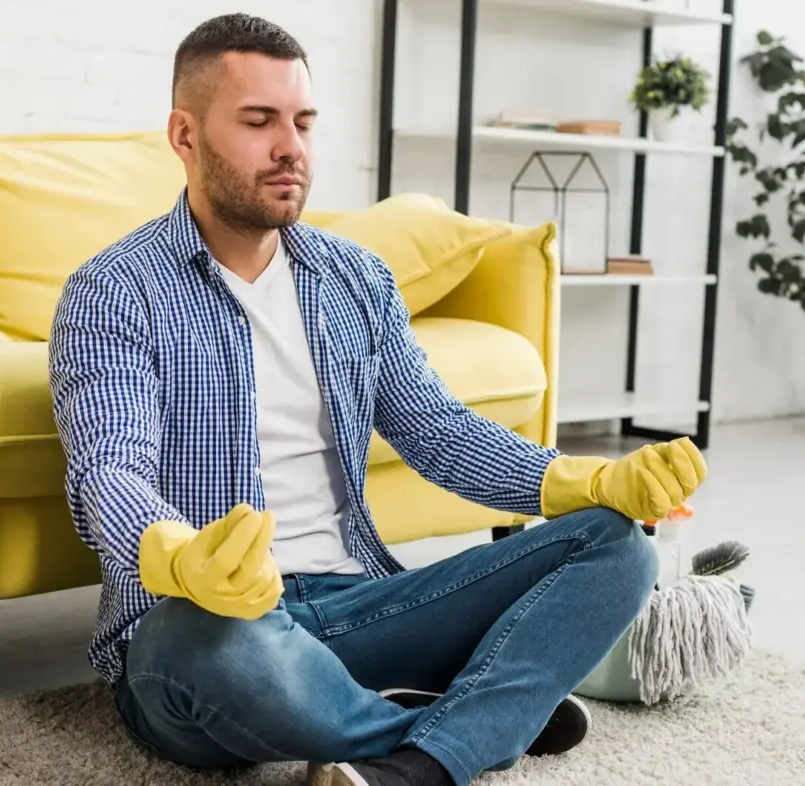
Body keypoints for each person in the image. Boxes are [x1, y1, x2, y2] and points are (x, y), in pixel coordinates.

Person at [48, 13, 707, 786]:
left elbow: (437, 431)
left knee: (616, 545)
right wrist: (178, 556)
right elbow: (109, 471)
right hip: (211, 629)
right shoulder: (113, 293)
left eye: (303, 122)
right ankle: (474, 724)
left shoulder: (355, 279)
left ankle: (407, 753)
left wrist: (588, 480)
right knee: (200, 643)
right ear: (185, 136)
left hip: (361, 604)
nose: (291, 147)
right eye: (259, 122)